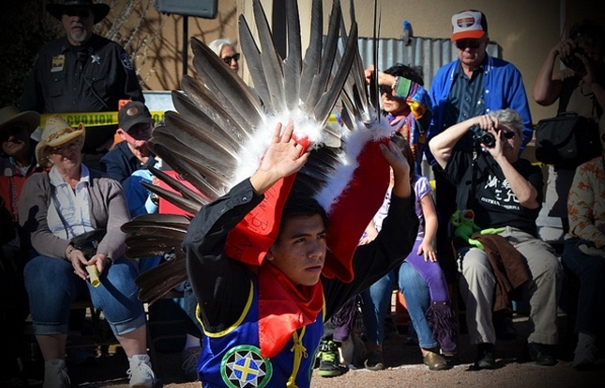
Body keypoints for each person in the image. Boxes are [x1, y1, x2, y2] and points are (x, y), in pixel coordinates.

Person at [183, 120, 418, 386]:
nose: (317, 251)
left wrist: (401, 178)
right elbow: (199, 242)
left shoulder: (322, 290)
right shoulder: (233, 293)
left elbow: (392, 247)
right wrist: (265, 176)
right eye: (301, 240)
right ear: (269, 249)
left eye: (320, 237)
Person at [18, 115, 155, 388]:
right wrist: (68, 251)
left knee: (119, 275)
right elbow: (36, 233)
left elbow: (120, 226)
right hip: (57, 255)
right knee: (43, 272)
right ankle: (54, 369)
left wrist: (103, 254)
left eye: (71, 145)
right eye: (58, 148)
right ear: (48, 156)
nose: (66, 152)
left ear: (80, 145)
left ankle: (139, 363)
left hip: (100, 251)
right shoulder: (36, 185)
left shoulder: (106, 184)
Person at [426, 9, 534, 337]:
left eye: (474, 42)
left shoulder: (506, 73)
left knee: (491, 240)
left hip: (493, 169)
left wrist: (502, 152)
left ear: (486, 39)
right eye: (461, 44)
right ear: (454, 44)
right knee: (449, 242)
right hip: (453, 172)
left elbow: (524, 127)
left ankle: (498, 313)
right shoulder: (444, 76)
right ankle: (459, 315)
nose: (468, 50)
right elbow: (432, 127)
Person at [429, 109, 561, 369]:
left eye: (508, 135)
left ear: (521, 138)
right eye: (494, 133)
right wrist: (475, 122)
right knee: (473, 267)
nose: (500, 139)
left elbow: (527, 199)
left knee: (549, 265)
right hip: (480, 238)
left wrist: (501, 158)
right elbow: (435, 146)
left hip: (520, 237)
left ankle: (539, 340)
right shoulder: (472, 163)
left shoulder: (529, 169)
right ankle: (484, 344)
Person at [361, 134, 457, 371]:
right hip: (380, 244)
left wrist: (427, 241)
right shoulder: (372, 182)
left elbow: (431, 217)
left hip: (412, 243)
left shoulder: (418, 183)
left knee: (414, 279)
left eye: (398, 159)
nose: (393, 166)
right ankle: (374, 347)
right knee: (376, 283)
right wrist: (372, 232)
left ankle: (429, 346)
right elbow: (363, 214)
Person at [20, 0, 144, 171]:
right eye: (71, 13)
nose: (77, 19)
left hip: (102, 155)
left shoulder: (112, 53)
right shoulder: (47, 55)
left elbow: (135, 103)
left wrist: (117, 138)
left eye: (84, 14)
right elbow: (29, 106)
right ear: (62, 19)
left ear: (93, 18)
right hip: (58, 156)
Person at [533, 19, 605, 239]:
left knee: (593, 224)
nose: (585, 59)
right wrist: (553, 55)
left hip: (596, 168)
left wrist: (591, 80)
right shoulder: (566, 77)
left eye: (590, 53)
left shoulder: (600, 78)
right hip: (566, 165)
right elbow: (540, 96)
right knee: (566, 229)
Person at [0, 106, 43, 377]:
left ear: (28, 130)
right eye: (3, 135)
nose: (11, 138)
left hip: (45, 241)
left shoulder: (49, 161)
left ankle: (47, 355)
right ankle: (11, 354)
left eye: (16, 130)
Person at [561, 118, 605, 369]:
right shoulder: (589, 170)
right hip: (584, 240)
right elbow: (578, 222)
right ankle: (586, 342)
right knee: (597, 269)